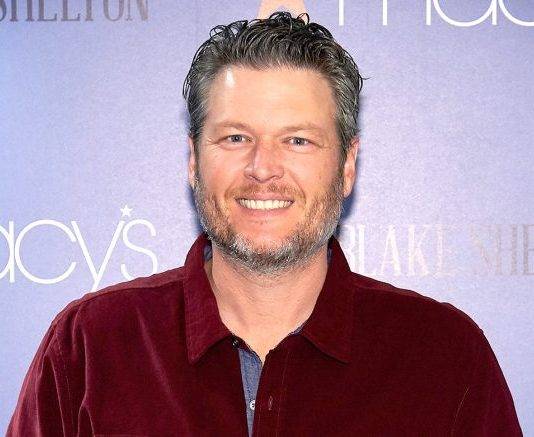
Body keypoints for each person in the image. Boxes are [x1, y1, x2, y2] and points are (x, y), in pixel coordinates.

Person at [8, 12, 522, 436]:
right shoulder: (88, 348)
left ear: (347, 166)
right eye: (235, 138)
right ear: (194, 160)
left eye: (298, 140)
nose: (263, 167)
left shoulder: (446, 357)